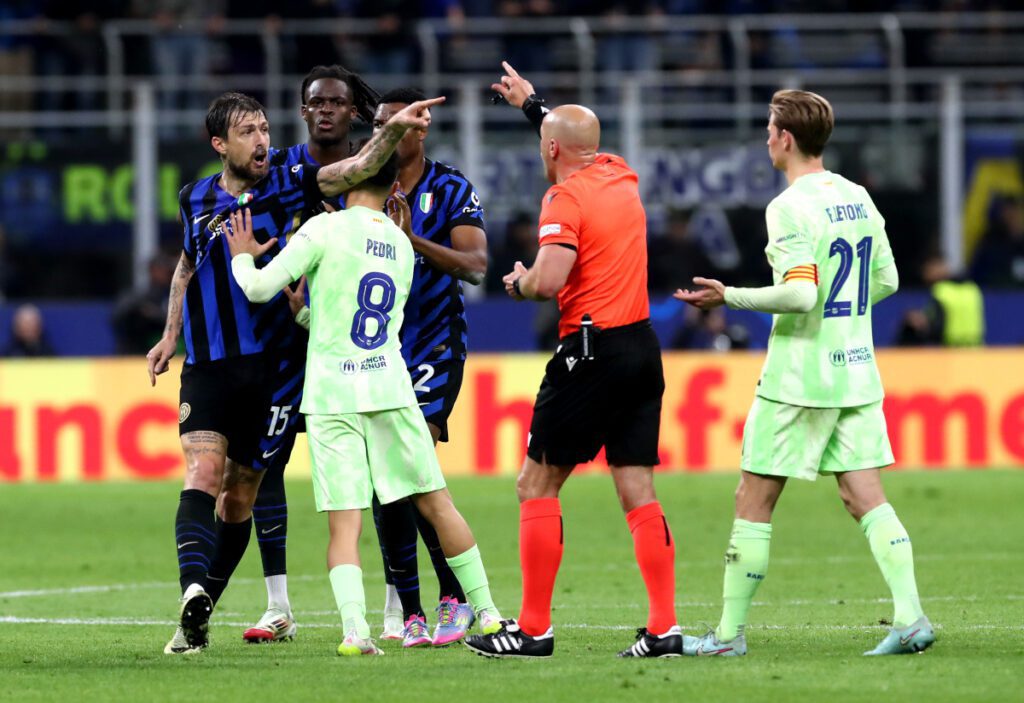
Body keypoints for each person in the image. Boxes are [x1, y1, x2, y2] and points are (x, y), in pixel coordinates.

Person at [146, 90, 443, 655]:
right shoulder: (194, 198)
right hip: (207, 364)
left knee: (239, 498)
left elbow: (355, 169)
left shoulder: (286, 185)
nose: (262, 140)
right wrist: (169, 334)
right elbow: (186, 266)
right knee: (202, 475)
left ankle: (201, 609)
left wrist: (393, 128)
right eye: (248, 132)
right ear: (220, 144)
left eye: (264, 128)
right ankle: (192, 592)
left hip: (274, 370)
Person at [674, 89, 934, 657]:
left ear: (785, 138)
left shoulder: (789, 206)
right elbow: (885, 280)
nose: (766, 138)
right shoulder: (858, 196)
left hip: (800, 377)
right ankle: (911, 617)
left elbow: (799, 293)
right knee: (865, 495)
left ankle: (725, 637)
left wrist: (730, 297)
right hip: (857, 369)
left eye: (769, 129)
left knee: (753, 498)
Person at [224, 148, 502, 657]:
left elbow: (262, 288)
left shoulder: (322, 230)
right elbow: (374, 325)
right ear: (393, 188)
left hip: (332, 395)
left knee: (345, 522)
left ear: (349, 178)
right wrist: (312, 317)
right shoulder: (400, 242)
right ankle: (488, 612)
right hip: (390, 389)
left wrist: (242, 254)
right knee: (437, 502)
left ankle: (356, 632)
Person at [465, 63, 681, 659]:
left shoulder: (564, 196)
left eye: (543, 141)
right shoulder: (620, 174)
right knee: (637, 485)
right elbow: (571, 138)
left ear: (552, 149)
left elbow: (551, 279)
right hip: (641, 348)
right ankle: (664, 627)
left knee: (536, 482)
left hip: (590, 351)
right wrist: (534, 105)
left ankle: (533, 629)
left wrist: (519, 281)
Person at [237, 64, 381, 645]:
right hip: (283, 343)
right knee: (264, 465)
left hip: (352, 345)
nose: (325, 109)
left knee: (376, 475)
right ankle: (278, 606)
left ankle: (401, 608)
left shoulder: (374, 174)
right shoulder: (284, 169)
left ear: (352, 111)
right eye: (315, 101)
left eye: (336, 102)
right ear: (303, 111)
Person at [367, 87, 490, 648]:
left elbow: (475, 265)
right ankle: (412, 610)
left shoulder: (450, 188)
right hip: (375, 348)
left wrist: (409, 239)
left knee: (411, 464)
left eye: (395, 125)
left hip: (434, 343)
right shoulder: (360, 188)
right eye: (377, 125)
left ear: (420, 130)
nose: (383, 134)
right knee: (383, 480)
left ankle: (453, 595)